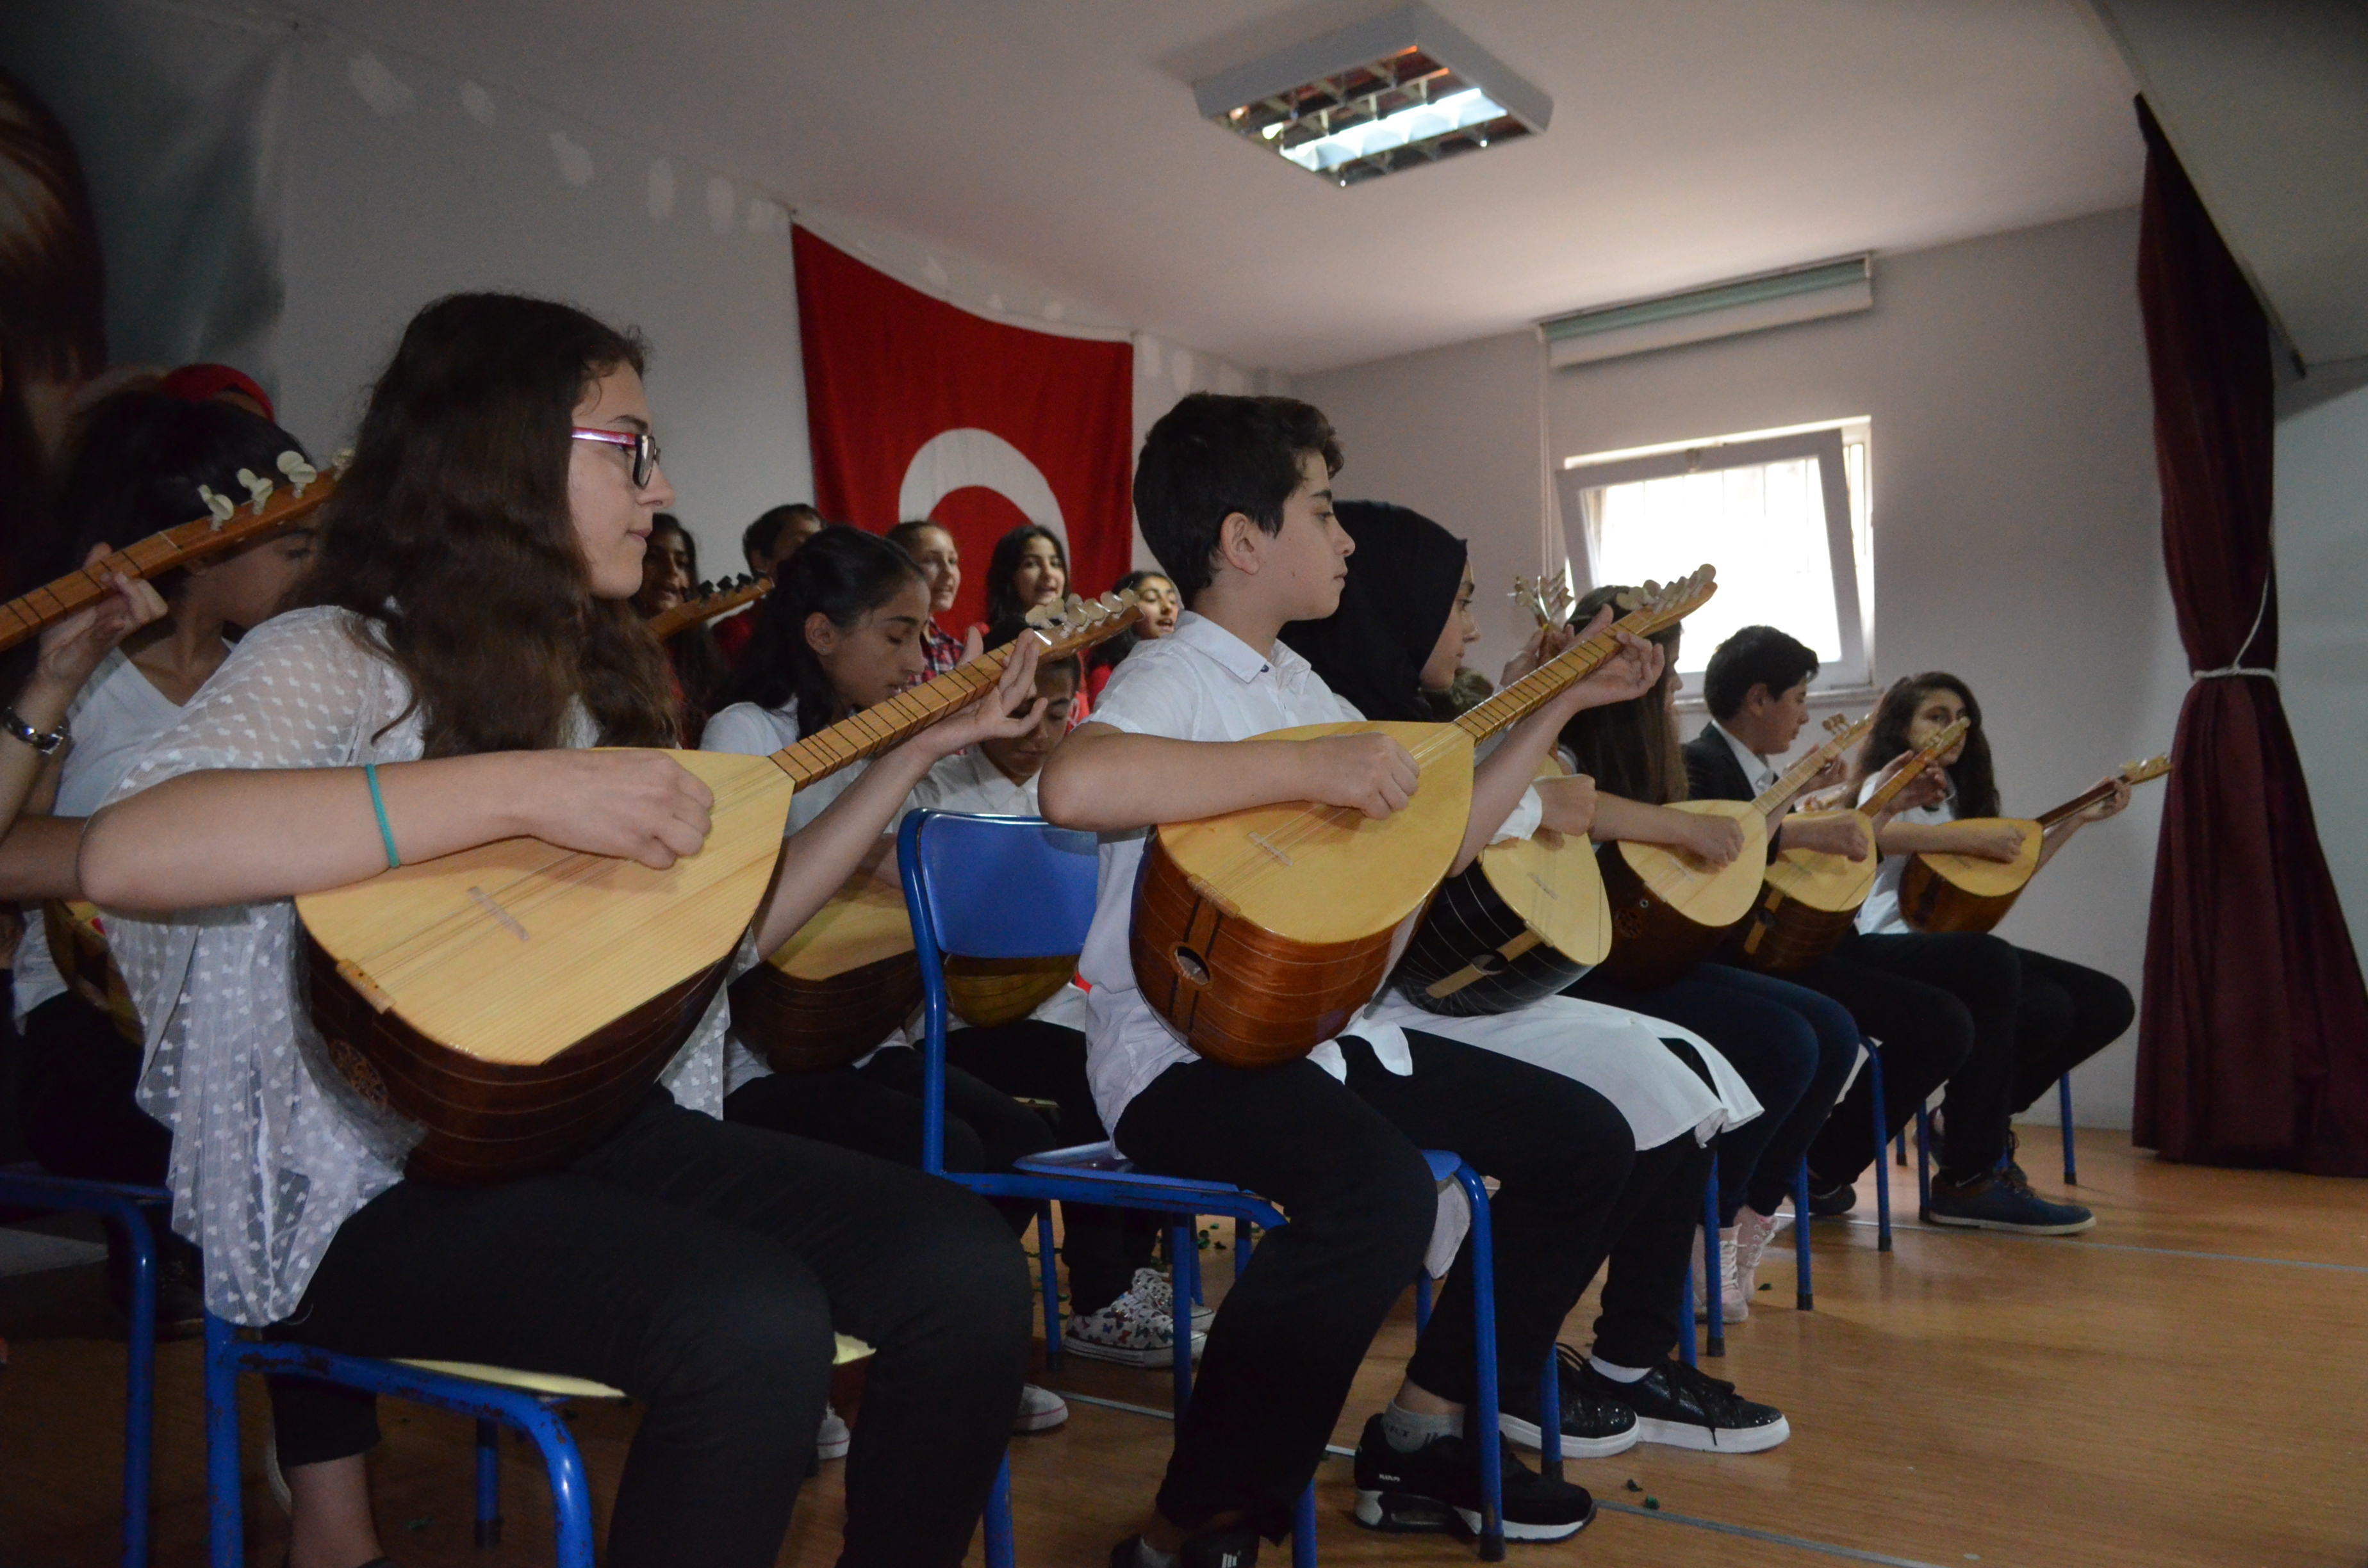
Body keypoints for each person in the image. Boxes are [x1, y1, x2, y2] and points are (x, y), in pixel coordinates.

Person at [77, 293, 1044, 1568]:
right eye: (629, 449)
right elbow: (129, 850)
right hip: (373, 1187)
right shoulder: (338, 655)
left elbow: (732, 939)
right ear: (508, 455)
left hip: (585, 1126)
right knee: (748, 1324)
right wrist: (526, 786)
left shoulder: (582, 686)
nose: (662, 488)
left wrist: (913, 749)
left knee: (962, 1265)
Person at [1043, 396, 1672, 1564]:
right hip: (1182, 1053)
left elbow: (1447, 835)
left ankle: (1426, 1431)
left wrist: (1564, 701)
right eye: (1323, 512)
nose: (1345, 541)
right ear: (1243, 541)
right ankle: (1193, 1526)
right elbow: (1075, 787)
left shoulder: (1300, 687)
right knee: (1378, 1196)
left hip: (1315, 1036)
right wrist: (1307, 769)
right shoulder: (1173, 674)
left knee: (1588, 1141)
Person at [1281, 508, 1789, 1455]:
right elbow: (1498, 817)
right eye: (1459, 604)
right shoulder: (1340, 721)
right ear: (1405, 607)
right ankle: (1502, 1373)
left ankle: (1630, 1361)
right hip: (1388, 1011)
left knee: (1689, 1075)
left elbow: (1506, 793)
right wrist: (1543, 720)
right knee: (1614, 1117)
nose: (1474, 628)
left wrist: (1538, 694)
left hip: (1431, 996)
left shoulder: (1398, 706)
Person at [702, 525, 1080, 1435]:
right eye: (898, 635)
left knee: (1018, 1146)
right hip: (768, 1055)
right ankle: (833, 1363)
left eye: (924, 636)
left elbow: (908, 883)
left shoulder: (895, 736)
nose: (920, 659)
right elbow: (749, 899)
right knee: (946, 1152)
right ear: (822, 633)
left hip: (869, 1033)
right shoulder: (747, 731)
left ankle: (944, 1357)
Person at [6, 391, 313, 1326]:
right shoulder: (80, 678)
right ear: (204, 548)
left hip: (256, 1018)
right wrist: (191, 853)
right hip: (95, 1029)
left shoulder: (287, 674)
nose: (318, 568)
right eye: (294, 548)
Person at [1684, 628, 2085, 1234]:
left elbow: (1820, 860)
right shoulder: (1702, 763)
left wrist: (1879, 807)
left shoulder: (1761, 775)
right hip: (1767, 952)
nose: (1804, 715)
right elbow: (1725, 850)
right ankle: (1957, 1175)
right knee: (1959, 1000)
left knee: (1967, 999)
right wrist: (1838, 816)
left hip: (1813, 940)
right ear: (1759, 699)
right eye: (1799, 698)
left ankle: (1834, 1169)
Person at [1551, 596, 1863, 1321]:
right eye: (1657, 670)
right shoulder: (1564, 743)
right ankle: (1707, 1225)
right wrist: (1681, 828)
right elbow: (1572, 807)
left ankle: (1749, 1213)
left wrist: (1780, 801)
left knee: (1832, 1030)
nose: (1665, 687)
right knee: (1784, 1043)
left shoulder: (1656, 752)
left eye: (1664, 670)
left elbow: (1715, 847)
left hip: (1646, 954)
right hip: (1588, 968)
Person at [1851, 672, 2134, 1220]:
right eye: (1937, 716)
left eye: (1962, 719)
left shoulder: (1962, 797)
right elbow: (1870, 835)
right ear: (1902, 727)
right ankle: (1971, 1170)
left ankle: (1956, 1124)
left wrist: (2076, 820)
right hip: (1893, 946)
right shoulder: (1890, 783)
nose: (1953, 728)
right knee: (2041, 1003)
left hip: (1960, 950)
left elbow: (2004, 874)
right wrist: (1971, 835)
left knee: (2104, 1002)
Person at [635, 512, 728, 740]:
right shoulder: (604, 650)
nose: (672, 571)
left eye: (682, 563)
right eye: (653, 557)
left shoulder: (699, 654)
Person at [713, 501, 823, 664]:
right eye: (800, 545)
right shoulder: (736, 632)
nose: (816, 555)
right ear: (762, 561)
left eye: (821, 546)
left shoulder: (838, 625)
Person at [886, 518, 969, 676]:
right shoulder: (879, 645)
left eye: (952, 561)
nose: (949, 572)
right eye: (930, 560)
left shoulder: (956, 652)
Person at [1085, 568, 1181, 703]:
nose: (1168, 608)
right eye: (1152, 599)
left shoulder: (1182, 669)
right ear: (1125, 611)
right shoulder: (1108, 676)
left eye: (1172, 601)